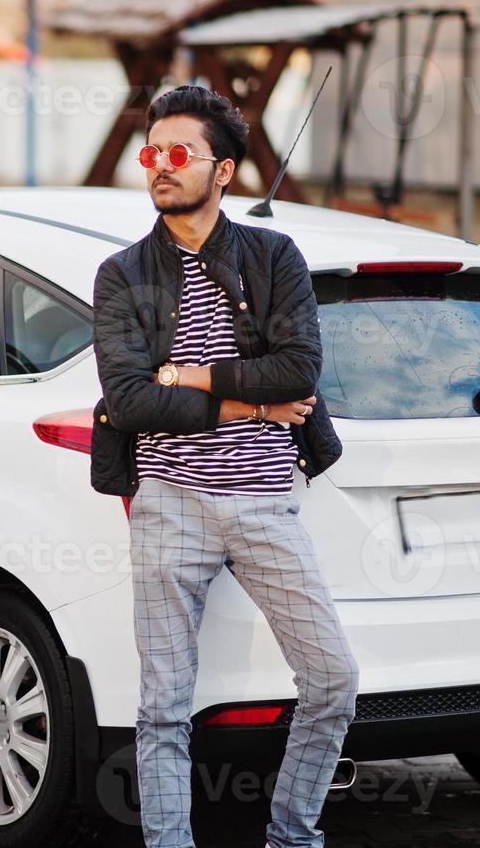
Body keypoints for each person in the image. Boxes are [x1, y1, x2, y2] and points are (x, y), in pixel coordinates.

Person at [90, 84, 357, 848]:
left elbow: (298, 371)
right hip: (169, 502)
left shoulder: (272, 257)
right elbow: (132, 401)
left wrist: (191, 375)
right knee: (163, 706)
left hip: (264, 502)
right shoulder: (123, 274)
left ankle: (291, 838)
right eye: (151, 153)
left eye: (180, 153)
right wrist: (250, 405)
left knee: (332, 680)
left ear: (224, 171)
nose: (160, 167)